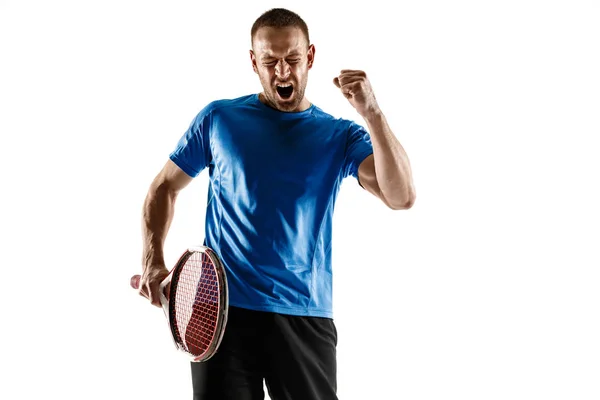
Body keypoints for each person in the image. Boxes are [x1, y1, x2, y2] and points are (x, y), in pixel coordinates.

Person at [136, 7, 416, 400]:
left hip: (304, 313)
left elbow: (401, 196)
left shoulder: (340, 136)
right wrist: (152, 260)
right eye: (270, 62)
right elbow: (163, 187)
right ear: (254, 62)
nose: (282, 72)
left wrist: (372, 113)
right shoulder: (219, 119)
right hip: (221, 312)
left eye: (292, 60)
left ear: (311, 58)